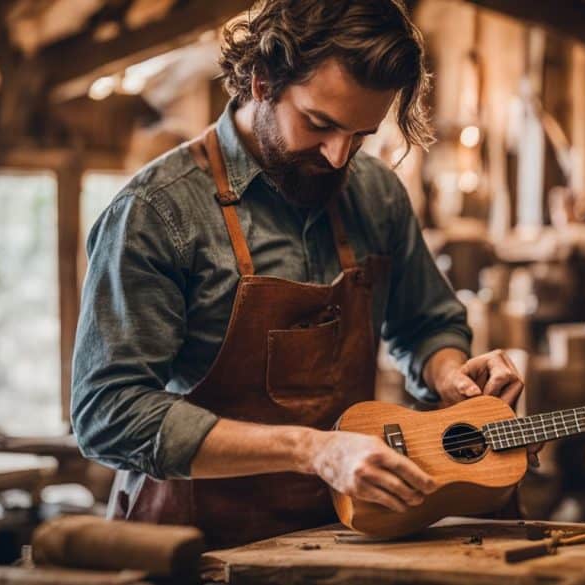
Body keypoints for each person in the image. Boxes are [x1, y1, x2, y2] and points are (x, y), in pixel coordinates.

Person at [72, 0, 526, 547]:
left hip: (342, 537)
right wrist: (314, 451)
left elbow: (425, 324)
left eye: (361, 135)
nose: (339, 157)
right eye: (320, 124)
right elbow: (108, 412)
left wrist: (449, 372)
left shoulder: (376, 194)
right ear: (262, 82)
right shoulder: (156, 213)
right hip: (193, 548)